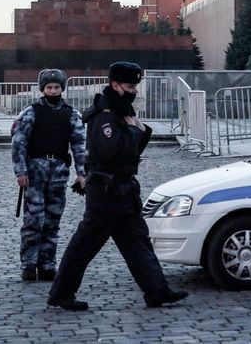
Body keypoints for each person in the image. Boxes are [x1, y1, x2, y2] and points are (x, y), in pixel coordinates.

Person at [48, 62, 188, 311]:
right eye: (130, 86)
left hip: (123, 191)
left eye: (135, 85)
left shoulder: (122, 111)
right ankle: (61, 293)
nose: (135, 90)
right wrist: (135, 131)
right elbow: (111, 151)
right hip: (106, 192)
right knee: (84, 245)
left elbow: (131, 153)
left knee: (138, 243)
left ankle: (157, 291)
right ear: (115, 85)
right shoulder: (105, 114)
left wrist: (139, 131)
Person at [11, 69, 86, 282]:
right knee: (33, 221)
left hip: (59, 173)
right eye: (49, 87)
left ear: (62, 88)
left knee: (53, 221)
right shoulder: (30, 112)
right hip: (34, 172)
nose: (53, 90)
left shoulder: (72, 114)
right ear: (42, 89)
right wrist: (20, 171)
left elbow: (80, 145)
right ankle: (28, 264)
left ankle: (47, 264)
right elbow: (19, 143)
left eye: (56, 87)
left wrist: (82, 174)